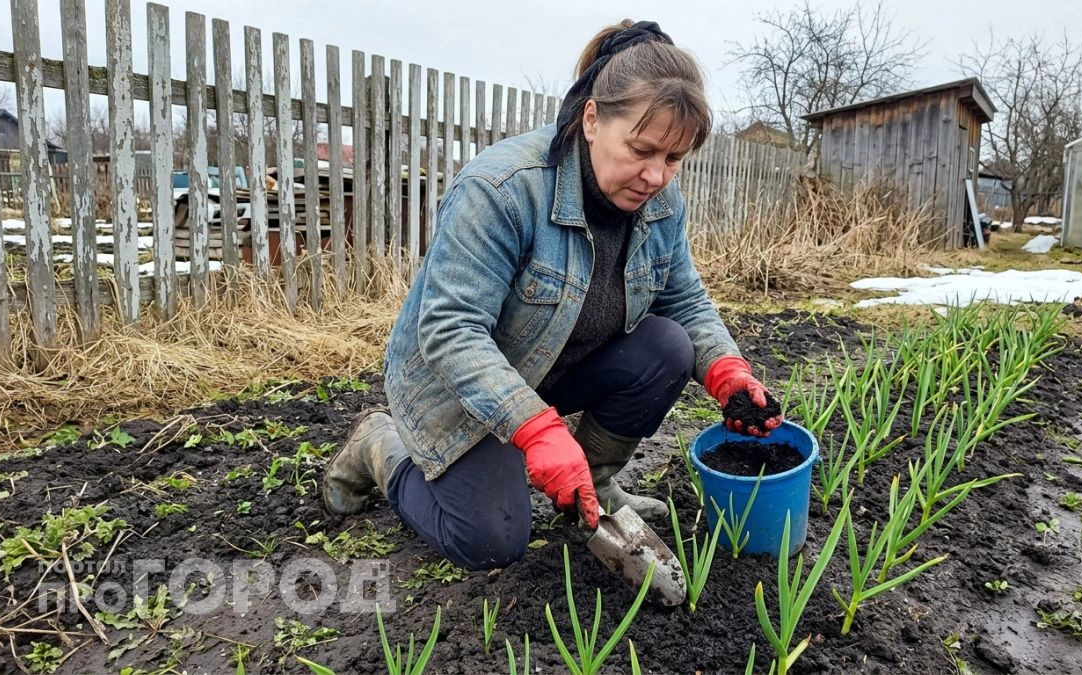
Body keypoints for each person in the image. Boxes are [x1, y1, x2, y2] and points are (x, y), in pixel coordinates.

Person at [322, 19, 782, 571]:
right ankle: (381, 447)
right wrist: (535, 428)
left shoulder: (662, 204)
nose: (657, 176)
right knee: (491, 541)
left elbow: (681, 299)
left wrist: (728, 372)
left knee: (670, 347)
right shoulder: (503, 189)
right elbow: (450, 330)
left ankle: (592, 486)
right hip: (456, 387)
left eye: (674, 158)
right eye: (641, 149)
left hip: (553, 365)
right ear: (592, 120)